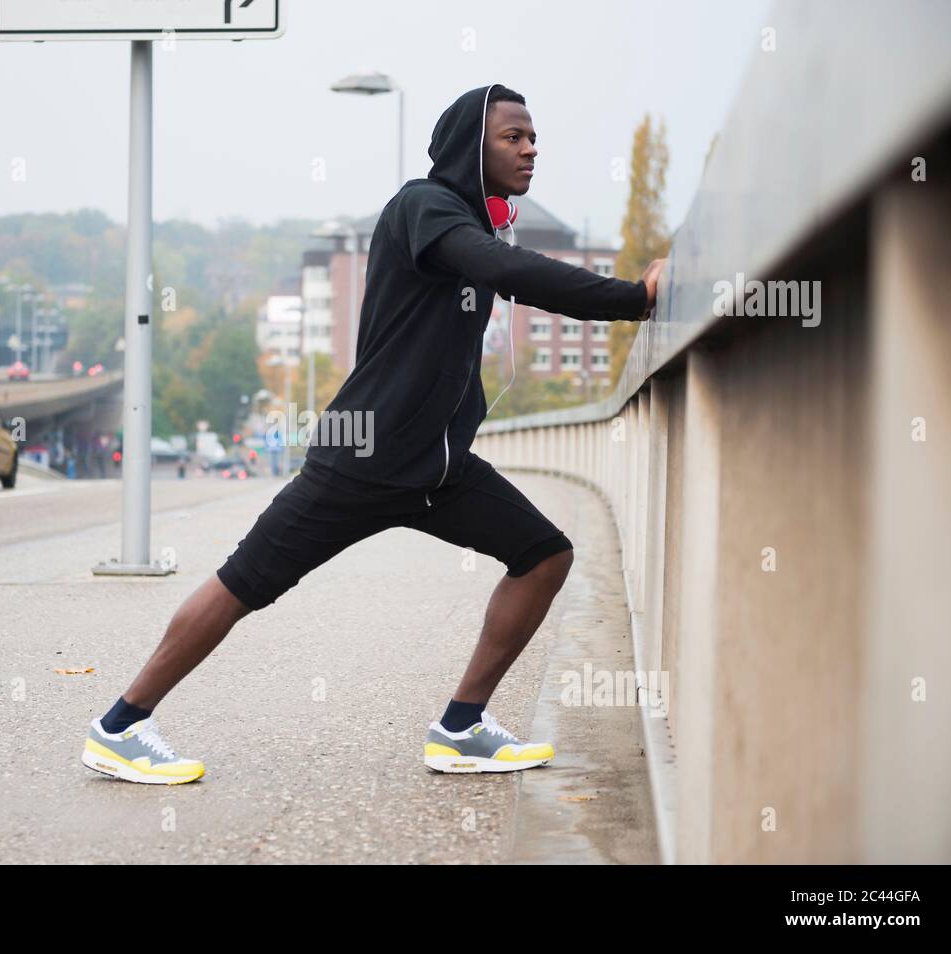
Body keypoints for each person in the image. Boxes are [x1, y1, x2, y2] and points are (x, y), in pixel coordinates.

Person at [81, 84, 666, 785]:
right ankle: (120, 726)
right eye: (514, 136)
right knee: (245, 585)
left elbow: (497, 267)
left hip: (438, 471)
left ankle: (461, 727)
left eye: (534, 136)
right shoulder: (426, 208)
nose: (531, 147)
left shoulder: (472, 226)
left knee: (543, 555)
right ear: (470, 145)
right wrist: (636, 296)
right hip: (364, 460)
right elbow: (509, 273)